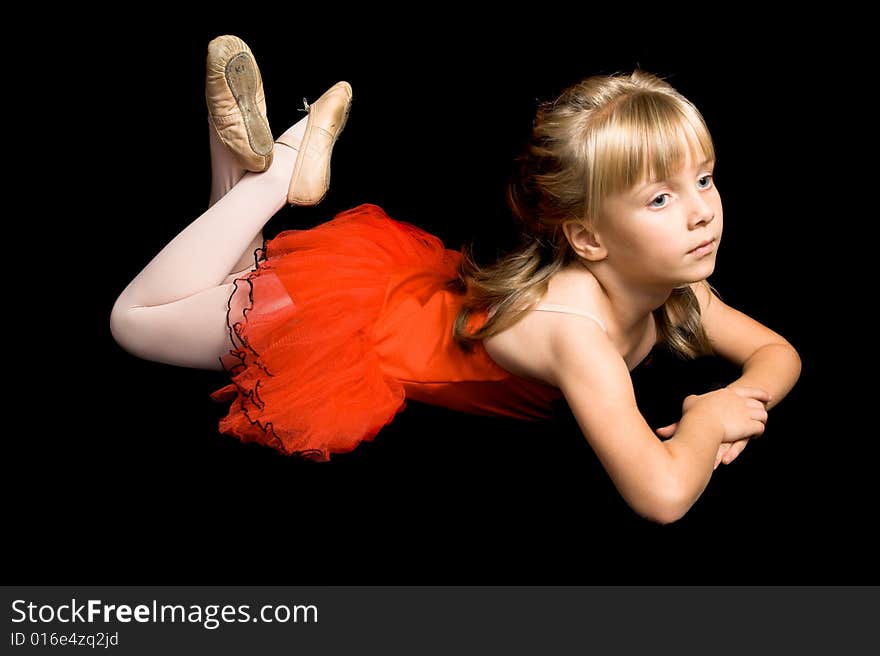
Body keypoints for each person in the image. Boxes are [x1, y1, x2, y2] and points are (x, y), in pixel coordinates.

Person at [109, 35, 801, 524]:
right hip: (351, 335)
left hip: (395, 293)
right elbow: (662, 496)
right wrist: (709, 422)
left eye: (703, 180)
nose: (701, 212)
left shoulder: (680, 294)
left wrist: (747, 393)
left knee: (243, 276)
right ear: (587, 237)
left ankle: (242, 163)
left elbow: (780, 353)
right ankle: (283, 173)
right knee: (135, 320)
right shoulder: (577, 336)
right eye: (660, 199)